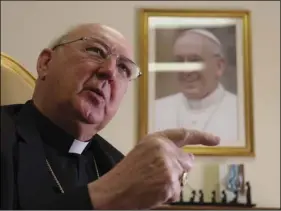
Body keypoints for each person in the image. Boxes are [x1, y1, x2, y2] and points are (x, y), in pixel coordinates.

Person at [0, 23, 220, 210]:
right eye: (95, 51)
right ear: (45, 63)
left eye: (124, 68)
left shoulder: (117, 165)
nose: (109, 71)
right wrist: (103, 195)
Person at [155, 29, 238, 145]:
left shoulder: (238, 111)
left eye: (195, 60)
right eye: (179, 61)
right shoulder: (157, 109)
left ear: (219, 66)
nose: (186, 71)